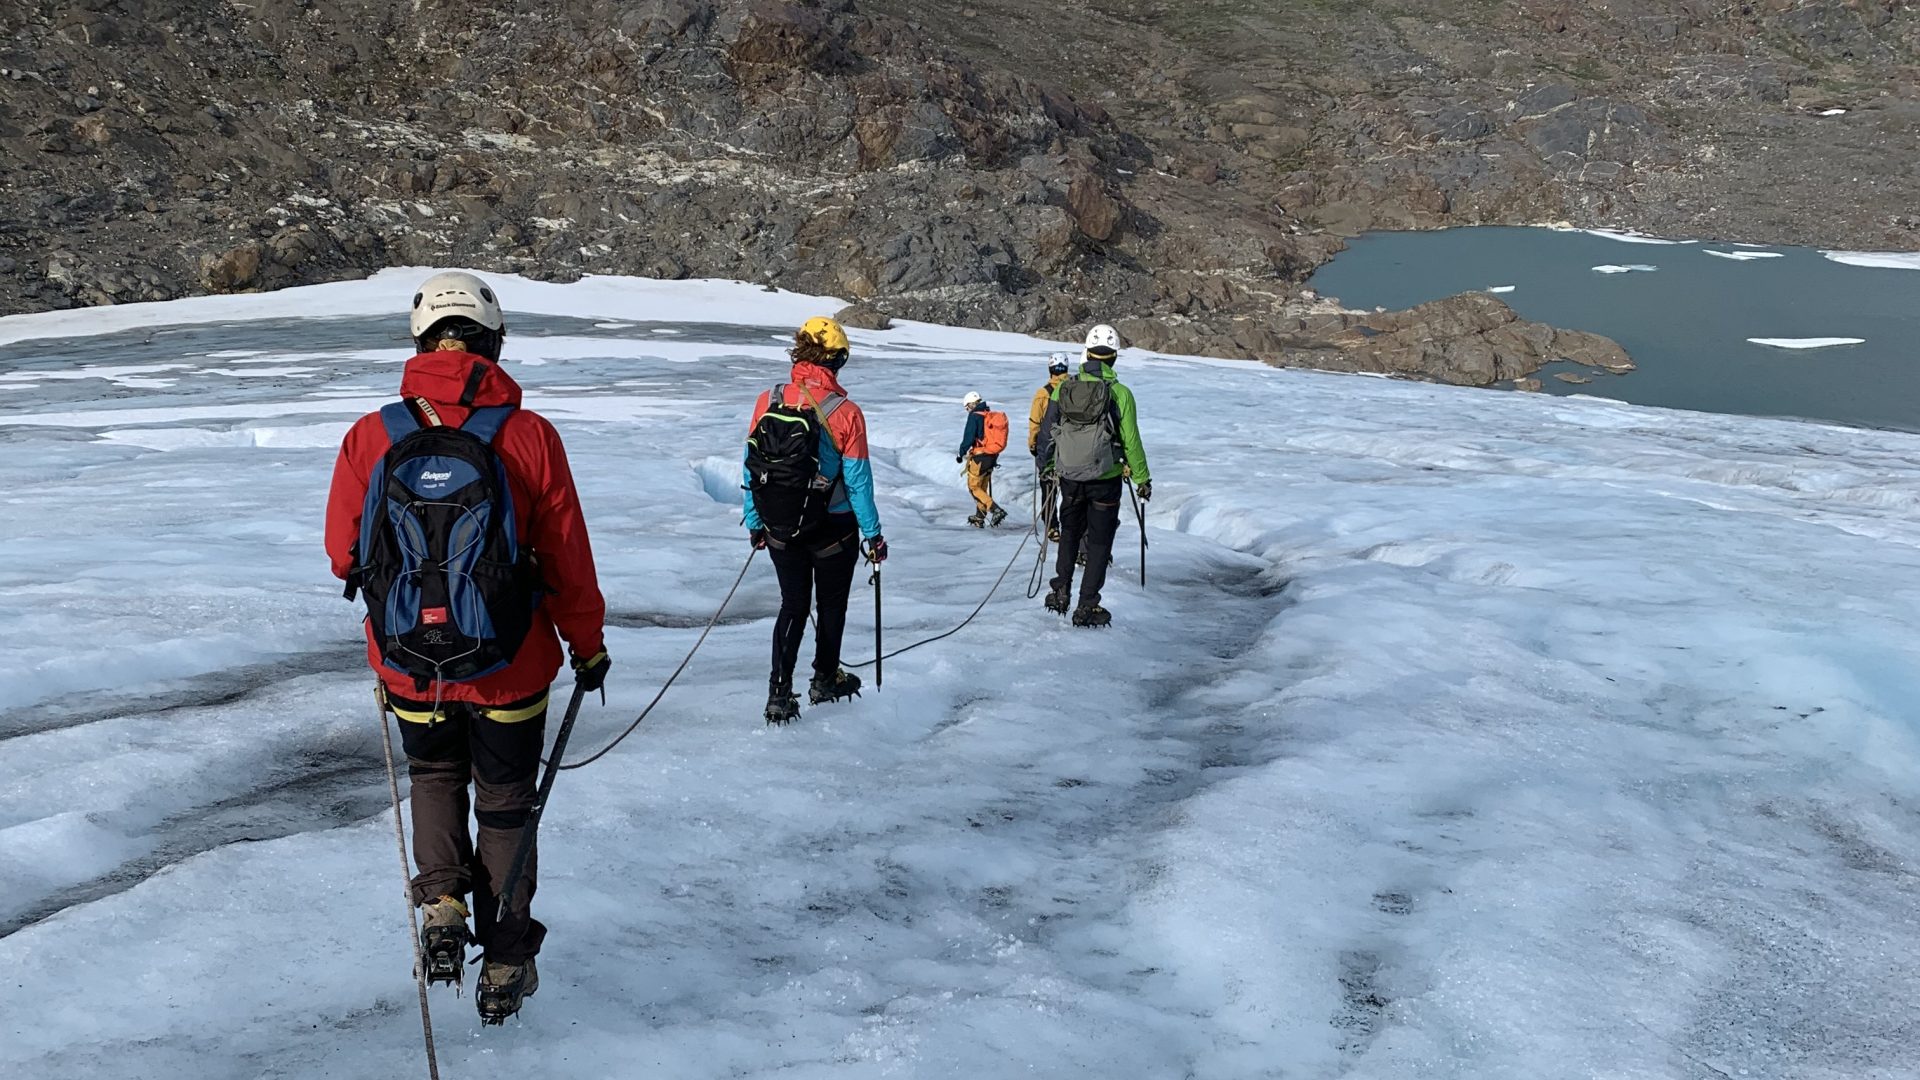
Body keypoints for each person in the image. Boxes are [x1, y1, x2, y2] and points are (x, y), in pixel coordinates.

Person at [326, 272, 609, 1022]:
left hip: (408, 665)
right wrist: (587, 644)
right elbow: (566, 556)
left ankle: (444, 906)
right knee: (508, 803)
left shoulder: (372, 435)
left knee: (433, 775)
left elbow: (342, 553)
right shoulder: (529, 435)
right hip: (511, 665)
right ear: (494, 342)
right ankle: (508, 961)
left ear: (421, 343)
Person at [742, 316, 887, 724]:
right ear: (838, 359)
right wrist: (874, 536)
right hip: (832, 528)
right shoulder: (846, 412)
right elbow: (857, 483)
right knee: (831, 605)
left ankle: (778, 693)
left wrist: (756, 522)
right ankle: (824, 679)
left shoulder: (768, 400)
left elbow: (751, 467)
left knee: (792, 606)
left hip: (779, 527)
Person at [1033, 323, 1152, 627]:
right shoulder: (1120, 394)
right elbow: (1131, 441)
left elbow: (1048, 432)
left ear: (1087, 353)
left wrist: (1046, 468)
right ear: (1113, 357)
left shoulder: (1063, 388)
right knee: (1098, 542)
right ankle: (1088, 605)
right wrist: (1142, 479)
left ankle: (1061, 589)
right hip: (1105, 479)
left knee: (1070, 531)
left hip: (1070, 477)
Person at [1028, 354, 1070, 540]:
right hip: (1071, 448)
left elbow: (1035, 422)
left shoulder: (1043, 393)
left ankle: (1052, 526)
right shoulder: (1073, 389)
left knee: (1048, 488)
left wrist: (1033, 444)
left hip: (1049, 448)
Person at [956, 391, 1009, 528]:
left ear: (971, 405)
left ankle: (995, 509)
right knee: (982, 487)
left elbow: (969, 437)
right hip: (992, 456)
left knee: (974, 487)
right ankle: (980, 516)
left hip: (980, 457)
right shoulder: (988, 415)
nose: (967, 410)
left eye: (967, 407)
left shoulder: (974, 417)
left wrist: (961, 453)